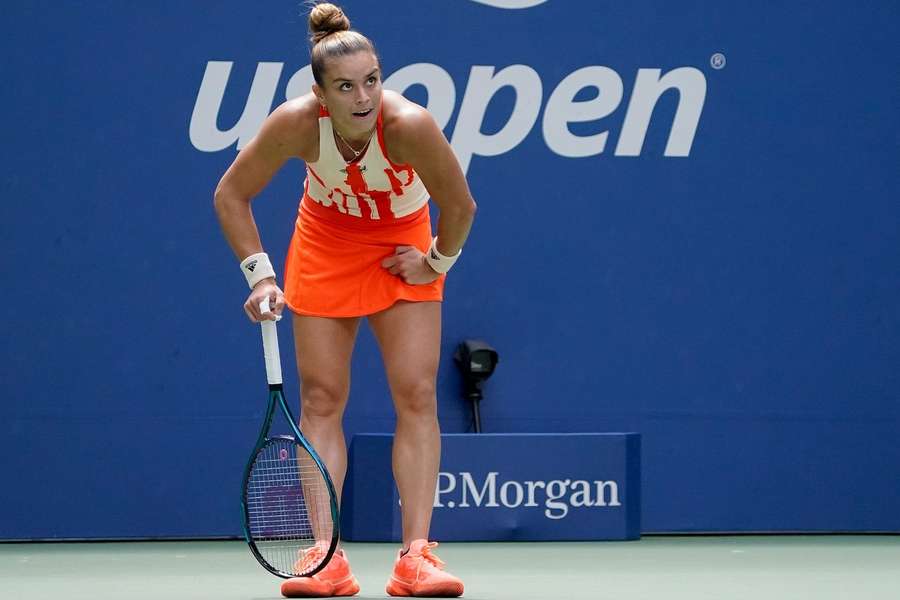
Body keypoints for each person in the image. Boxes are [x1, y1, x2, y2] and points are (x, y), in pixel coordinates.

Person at [214, 3, 476, 597]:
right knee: (323, 399)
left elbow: (460, 207)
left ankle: (416, 557)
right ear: (320, 93)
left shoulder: (410, 124)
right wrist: (259, 276)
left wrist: (433, 260)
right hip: (325, 245)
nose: (363, 98)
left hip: (400, 247)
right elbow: (231, 195)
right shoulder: (296, 123)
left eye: (372, 80)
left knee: (415, 391)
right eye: (346, 87)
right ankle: (325, 556)